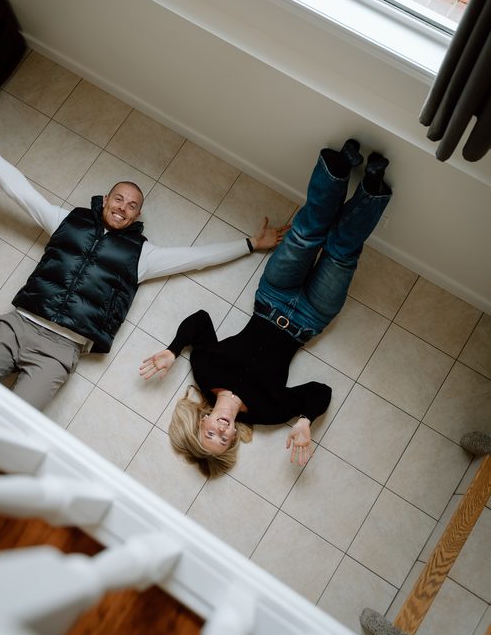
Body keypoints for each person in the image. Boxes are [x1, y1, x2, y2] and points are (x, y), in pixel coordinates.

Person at [0, 105, 287, 409]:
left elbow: (196, 257)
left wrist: (249, 243)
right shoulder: (67, 221)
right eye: (119, 198)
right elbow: (22, 192)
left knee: (12, 424)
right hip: (18, 326)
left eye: (132, 205)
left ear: (137, 216)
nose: (123, 207)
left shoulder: (143, 255)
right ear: (106, 199)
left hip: (61, 350)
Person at [139, 140, 392, 478]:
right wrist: (305, 422)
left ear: (204, 420)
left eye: (210, 433)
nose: (222, 431)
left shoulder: (205, 372)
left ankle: (338, 167)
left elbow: (200, 321)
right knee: (341, 253)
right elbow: (319, 392)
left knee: (306, 234)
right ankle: (372, 187)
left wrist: (173, 350)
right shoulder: (268, 412)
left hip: (273, 296)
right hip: (311, 317)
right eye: (224, 440)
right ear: (233, 441)